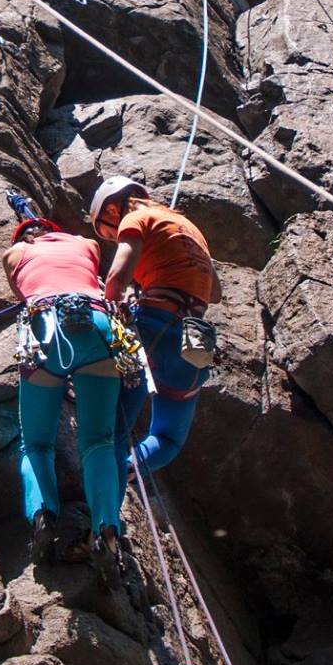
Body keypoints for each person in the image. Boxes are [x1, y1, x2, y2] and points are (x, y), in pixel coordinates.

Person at [2, 209, 129, 582]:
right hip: (98, 325)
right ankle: (106, 533)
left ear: (25, 238)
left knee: (36, 443)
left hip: (47, 327)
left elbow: (21, 293)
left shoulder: (15, 254)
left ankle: (42, 514)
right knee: (99, 442)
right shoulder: (87, 244)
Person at [91, 176, 218, 477]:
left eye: (108, 233)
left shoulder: (135, 218)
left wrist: (113, 308)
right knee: (169, 438)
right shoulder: (190, 229)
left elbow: (117, 278)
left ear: (111, 210)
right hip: (196, 335)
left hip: (156, 322)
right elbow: (215, 292)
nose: (112, 238)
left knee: (118, 425)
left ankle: (106, 486)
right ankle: (128, 469)